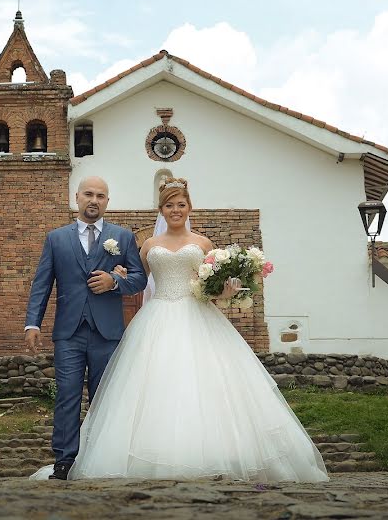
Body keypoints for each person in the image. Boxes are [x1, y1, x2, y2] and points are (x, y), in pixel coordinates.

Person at [60, 178, 329, 482]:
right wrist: (119, 275)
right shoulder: (148, 246)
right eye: (169, 205)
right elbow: (136, 280)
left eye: (181, 204)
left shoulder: (203, 244)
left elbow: (211, 288)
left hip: (198, 316)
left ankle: (217, 454)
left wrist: (227, 292)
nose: (175, 210)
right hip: (158, 317)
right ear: (161, 210)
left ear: (189, 207)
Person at [24, 176, 147, 480]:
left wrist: (114, 281)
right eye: (89, 194)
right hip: (69, 332)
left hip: (107, 332)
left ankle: (99, 456)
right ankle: (65, 460)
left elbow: (140, 280)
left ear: (107, 201)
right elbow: (42, 284)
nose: (94, 200)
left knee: (104, 396)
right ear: (76, 197)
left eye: (101, 196)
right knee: (66, 394)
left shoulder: (123, 237)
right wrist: (32, 323)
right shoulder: (56, 239)